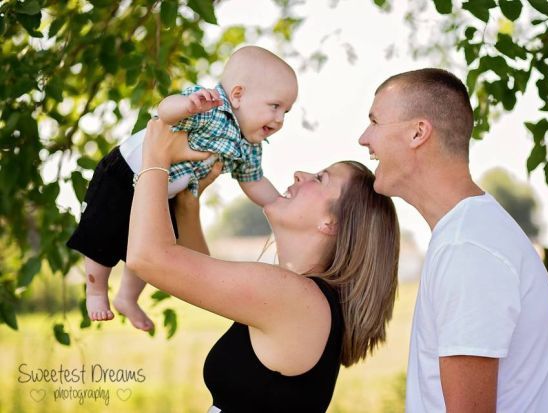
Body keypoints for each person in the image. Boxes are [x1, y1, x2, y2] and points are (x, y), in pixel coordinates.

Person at [125, 118, 401, 412]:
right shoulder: (304, 298)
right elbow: (202, 276)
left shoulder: (295, 296)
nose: (299, 174)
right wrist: (188, 205)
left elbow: (148, 258)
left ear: (330, 222)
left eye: (320, 179)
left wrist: (155, 156)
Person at [358, 68, 548, 412]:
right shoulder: (466, 235)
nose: (364, 138)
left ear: (418, 132)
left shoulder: (468, 248)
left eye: (374, 122)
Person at [66, 45, 298, 330]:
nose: (280, 119)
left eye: (286, 111)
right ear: (238, 95)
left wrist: (280, 203)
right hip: (126, 173)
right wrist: (187, 106)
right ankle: (97, 292)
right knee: (102, 236)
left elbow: (254, 181)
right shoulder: (210, 107)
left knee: (152, 245)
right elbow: (164, 111)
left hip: (164, 193)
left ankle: (128, 296)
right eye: (275, 106)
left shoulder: (248, 145)